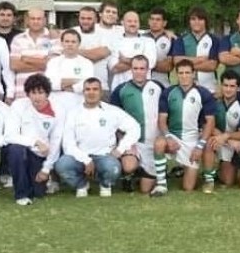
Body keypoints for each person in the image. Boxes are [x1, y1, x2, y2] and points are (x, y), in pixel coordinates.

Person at [55, 78, 140, 198]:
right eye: (87, 89)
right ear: (83, 92)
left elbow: (135, 127)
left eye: (95, 89)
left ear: (101, 92)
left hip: (105, 156)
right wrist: (86, 160)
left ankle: (105, 184)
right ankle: (82, 185)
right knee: (62, 165)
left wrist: (120, 150)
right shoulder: (73, 113)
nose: (91, 92)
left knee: (113, 168)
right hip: (80, 157)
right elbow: (68, 144)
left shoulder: (112, 111)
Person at [151, 59, 218, 195]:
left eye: (187, 72)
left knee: (188, 187)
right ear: (176, 75)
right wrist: (168, 137)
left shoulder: (203, 93)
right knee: (159, 143)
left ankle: (208, 178)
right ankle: (161, 185)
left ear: (194, 74)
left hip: (192, 139)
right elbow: (162, 120)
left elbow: (210, 122)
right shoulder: (168, 92)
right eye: (181, 73)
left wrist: (199, 146)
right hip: (174, 137)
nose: (184, 76)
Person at [3, 74, 64, 205]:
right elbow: (9, 135)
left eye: (40, 92)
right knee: (15, 149)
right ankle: (21, 194)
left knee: (38, 193)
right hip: (23, 150)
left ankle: (35, 184)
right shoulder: (18, 106)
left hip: (40, 155)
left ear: (47, 93)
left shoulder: (58, 110)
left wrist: (46, 169)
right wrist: (35, 142)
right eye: (33, 92)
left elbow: (56, 141)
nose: (37, 97)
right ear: (28, 93)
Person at [110, 55, 165, 194]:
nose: (139, 71)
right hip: (133, 142)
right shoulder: (120, 90)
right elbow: (115, 121)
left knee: (145, 189)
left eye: (142, 68)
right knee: (129, 166)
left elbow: (166, 114)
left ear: (148, 69)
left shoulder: (158, 87)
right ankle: (128, 174)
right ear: (131, 69)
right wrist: (125, 141)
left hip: (153, 142)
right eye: (135, 68)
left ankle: (143, 172)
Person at [208, 70, 240, 188]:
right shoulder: (213, 101)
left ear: (238, 88)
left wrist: (226, 137)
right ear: (221, 86)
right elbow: (207, 125)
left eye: (232, 86)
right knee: (207, 140)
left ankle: (225, 167)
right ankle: (209, 174)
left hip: (235, 143)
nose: (228, 89)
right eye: (225, 85)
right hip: (219, 138)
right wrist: (224, 137)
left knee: (228, 181)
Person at [9, 8, 60, 99]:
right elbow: (14, 65)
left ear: (45, 20)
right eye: (33, 19)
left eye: (39, 19)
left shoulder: (54, 38)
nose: (36, 21)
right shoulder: (18, 39)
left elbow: (55, 65)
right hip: (22, 93)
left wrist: (26, 59)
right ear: (27, 20)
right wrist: (43, 62)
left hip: (47, 94)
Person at [170, 5, 219, 92]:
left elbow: (212, 65)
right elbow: (177, 61)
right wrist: (201, 59)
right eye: (193, 19)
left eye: (200, 19)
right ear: (189, 21)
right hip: (185, 88)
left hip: (209, 88)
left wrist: (186, 66)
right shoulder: (181, 40)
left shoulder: (214, 40)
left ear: (205, 21)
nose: (196, 22)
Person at [46, 29, 96, 113]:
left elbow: (86, 85)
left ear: (79, 44)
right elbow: (49, 83)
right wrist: (75, 80)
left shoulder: (87, 63)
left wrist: (63, 84)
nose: (70, 44)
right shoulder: (53, 62)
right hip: (56, 106)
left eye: (73, 42)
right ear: (62, 43)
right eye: (67, 41)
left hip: (78, 105)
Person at [108, 10, 157, 89]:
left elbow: (150, 63)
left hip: (142, 88)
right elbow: (114, 68)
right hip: (119, 88)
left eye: (135, 21)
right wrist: (140, 62)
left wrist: (124, 59)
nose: (133, 24)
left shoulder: (148, 41)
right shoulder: (115, 42)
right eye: (129, 21)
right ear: (122, 22)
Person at [73, 6, 112, 98]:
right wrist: (91, 53)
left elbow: (99, 54)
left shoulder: (105, 35)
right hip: (76, 88)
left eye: (89, 18)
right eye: (82, 18)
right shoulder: (71, 32)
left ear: (96, 19)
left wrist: (74, 51)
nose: (85, 21)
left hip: (101, 88)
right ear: (78, 18)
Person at [146, 6, 175, 87]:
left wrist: (144, 64)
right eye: (152, 19)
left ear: (164, 23)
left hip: (163, 85)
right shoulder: (141, 38)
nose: (154, 22)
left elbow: (168, 66)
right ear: (148, 21)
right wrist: (160, 63)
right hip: (142, 85)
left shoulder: (171, 39)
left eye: (158, 19)